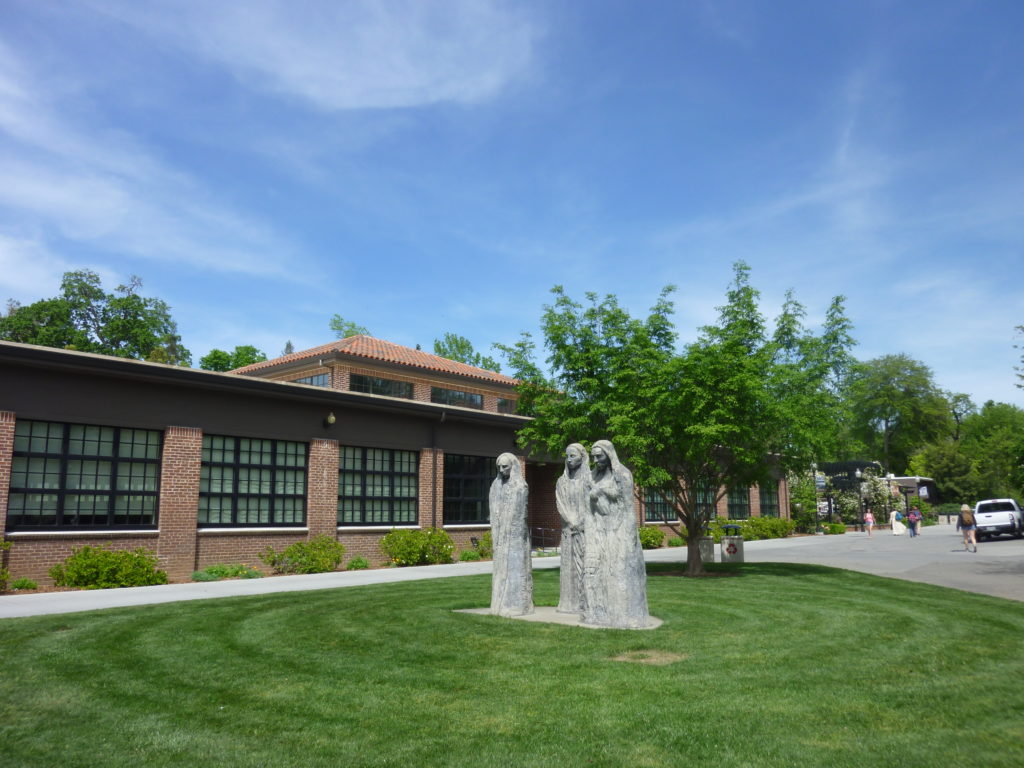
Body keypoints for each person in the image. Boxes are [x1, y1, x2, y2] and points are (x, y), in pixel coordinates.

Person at [582, 440, 650, 629]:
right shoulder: (592, 477)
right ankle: (600, 613)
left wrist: (628, 537)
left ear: (609, 454)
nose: (596, 460)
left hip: (619, 530)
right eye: (593, 457)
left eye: (599, 456)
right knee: (599, 573)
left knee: (619, 572)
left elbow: (628, 508)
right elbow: (588, 508)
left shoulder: (622, 475)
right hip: (599, 530)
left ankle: (624, 615)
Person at [489, 452, 534, 616]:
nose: (502, 470)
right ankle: (500, 604)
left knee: (516, 570)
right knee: (500, 569)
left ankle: (518, 605)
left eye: (505, 467)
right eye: (499, 467)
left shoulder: (520, 487)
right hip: (500, 536)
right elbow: (494, 509)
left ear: (513, 466)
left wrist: (510, 530)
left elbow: (520, 515)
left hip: (515, 538)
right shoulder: (496, 486)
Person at [555, 443, 589, 614]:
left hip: (585, 531)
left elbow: (591, 504)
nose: (569, 460)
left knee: (585, 565)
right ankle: (569, 603)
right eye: (567, 456)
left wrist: (581, 522)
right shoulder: (561, 482)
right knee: (569, 568)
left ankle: (586, 603)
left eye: (573, 456)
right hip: (568, 531)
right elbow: (560, 503)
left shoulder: (590, 480)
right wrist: (570, 521)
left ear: (582, 457)